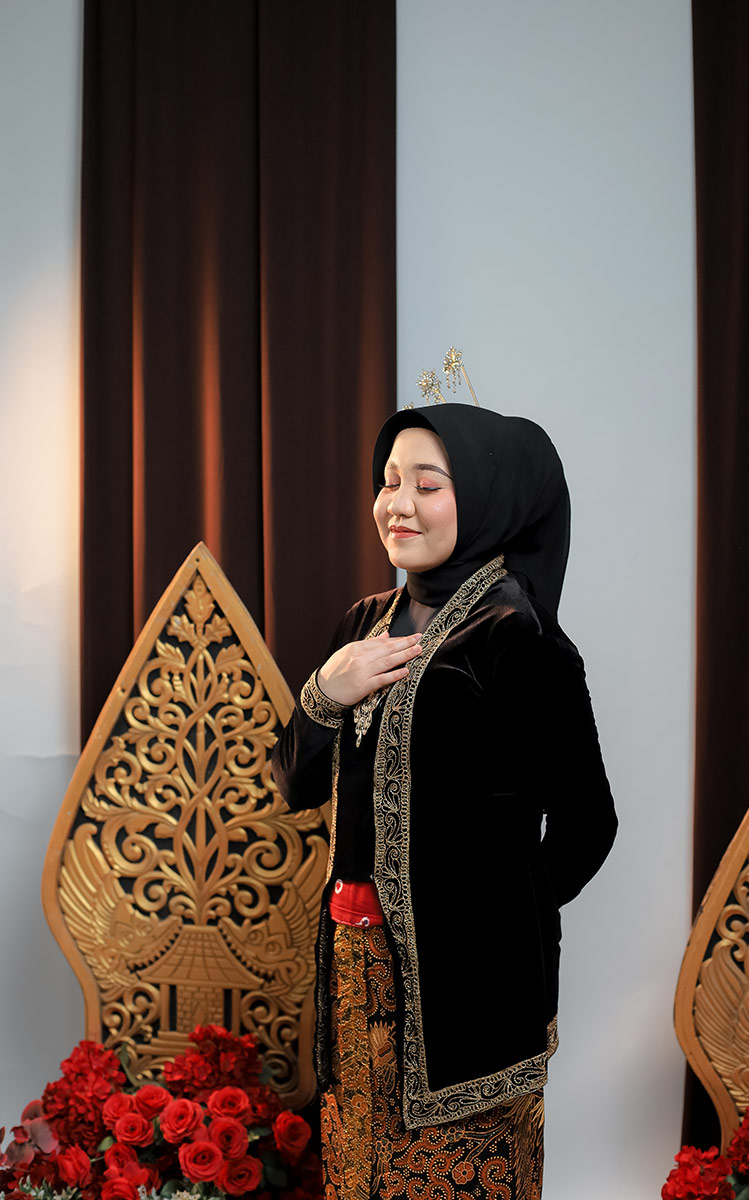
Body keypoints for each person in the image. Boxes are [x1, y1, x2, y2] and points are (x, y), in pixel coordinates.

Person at [272, 400, 617, 1200]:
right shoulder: (365, 622)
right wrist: (325, 691)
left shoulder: (516, 636)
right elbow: (295, 786)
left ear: (490, 496)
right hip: (354, 971)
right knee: (359, 1177)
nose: (397, 504)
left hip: (469, 997)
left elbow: (587, 825)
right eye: (389, 480)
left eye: (427, 484)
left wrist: (495, 926)